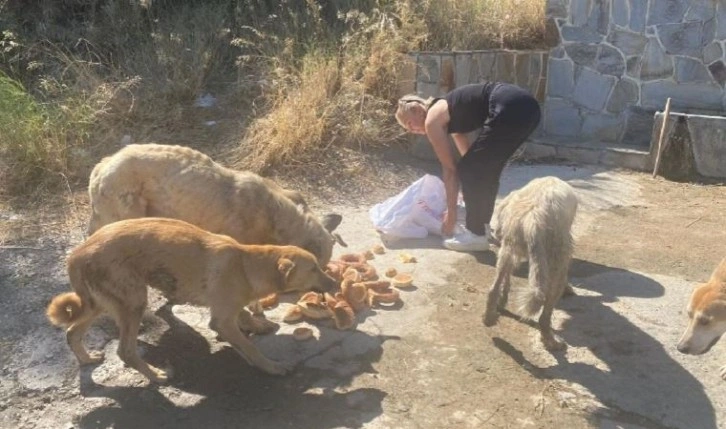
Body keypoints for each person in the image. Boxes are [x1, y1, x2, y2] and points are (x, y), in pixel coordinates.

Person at [395, 82, 541, 252]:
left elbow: (450, 170)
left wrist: (451, 215)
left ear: (417, 109)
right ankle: (483, 229)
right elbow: (470, 156)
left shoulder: (432, 121)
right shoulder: (448, 111)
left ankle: (476, 234)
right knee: (486, 171)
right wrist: (471, 184)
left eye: (409, 124)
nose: (411, 130)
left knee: (471, 169)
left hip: (510, 105)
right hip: (529, 108)